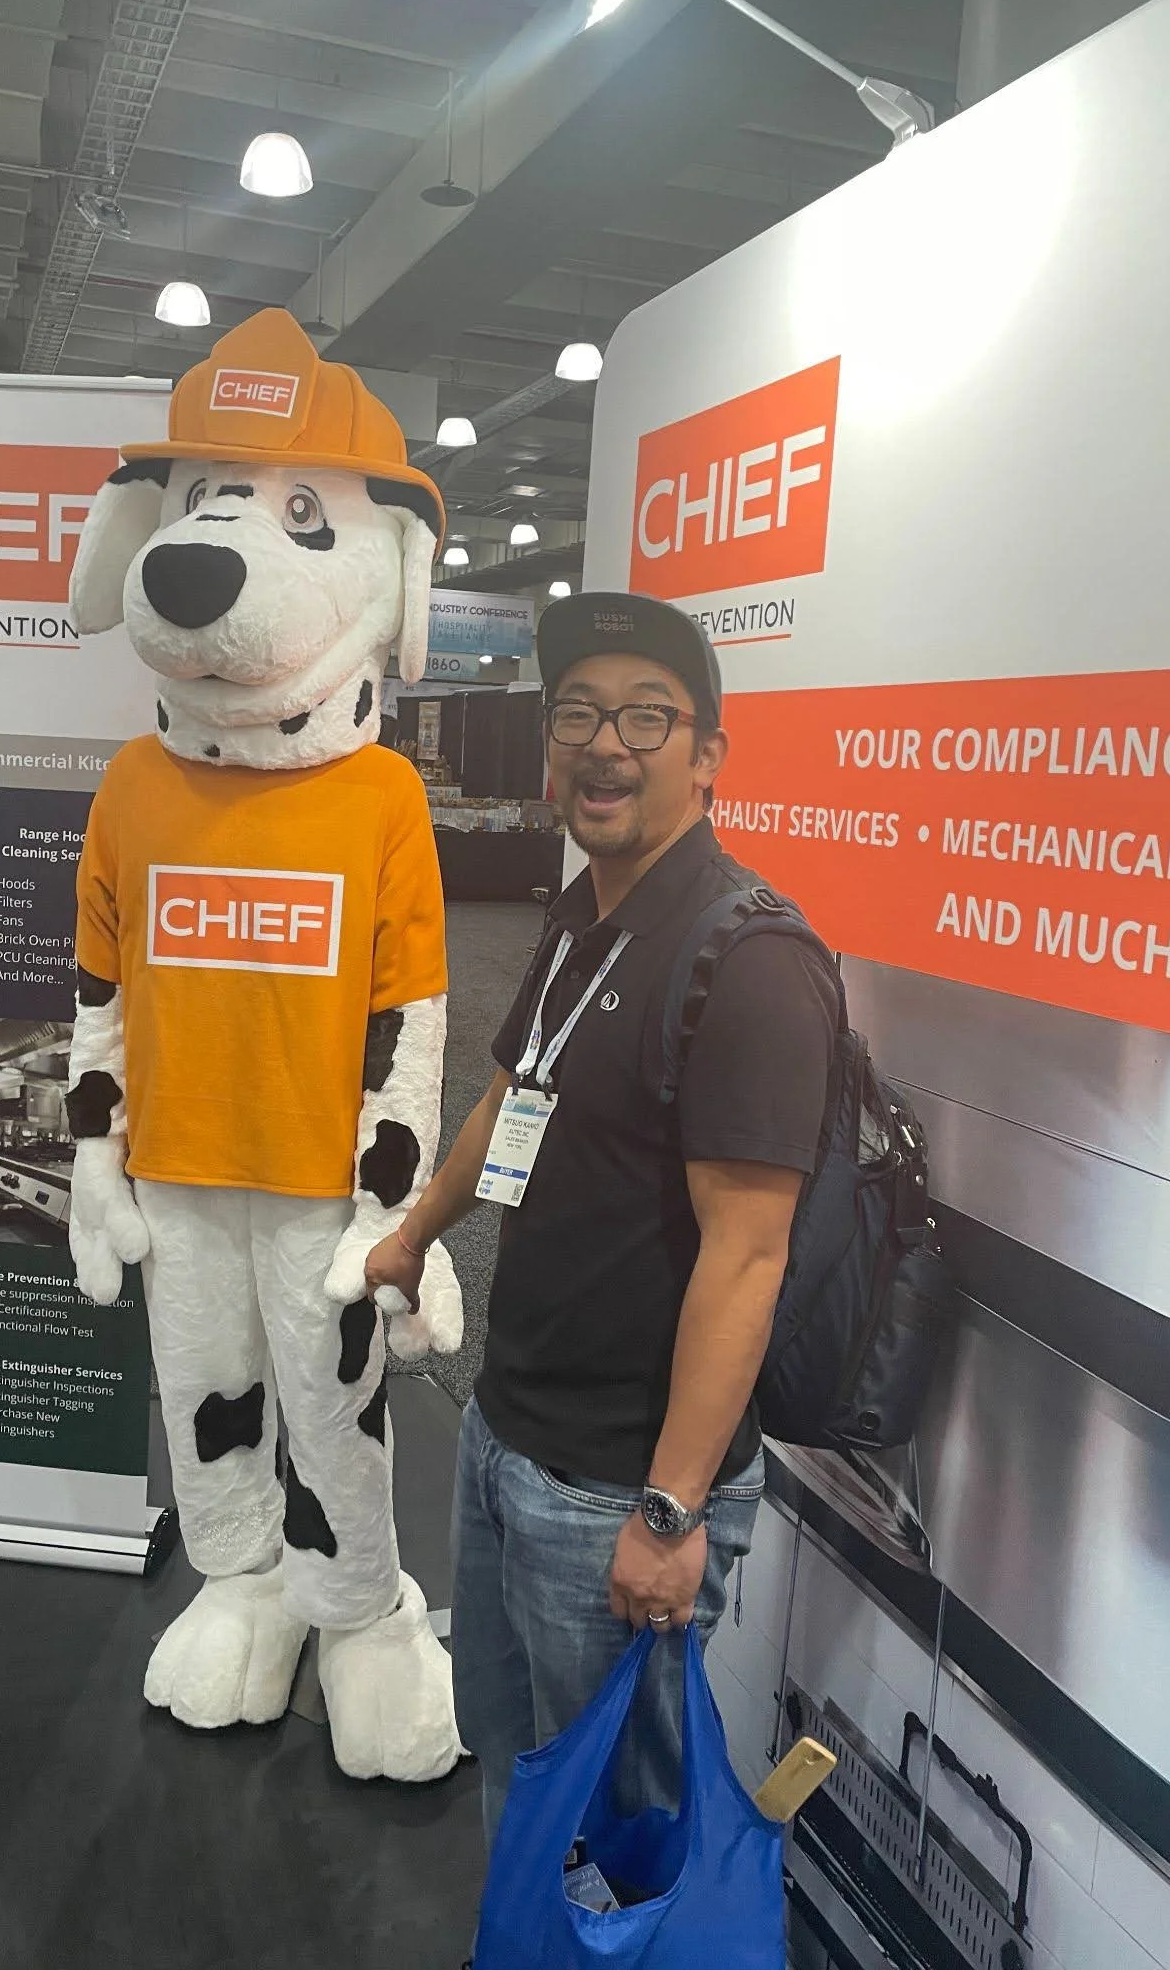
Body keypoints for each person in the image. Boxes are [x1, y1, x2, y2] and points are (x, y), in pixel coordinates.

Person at [363, 591, 838, 1845]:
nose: (602, 742)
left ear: (708, 753)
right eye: (576, 711)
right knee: (519, 1780)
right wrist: (417, 1230)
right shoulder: (585, 911)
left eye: (644, 714)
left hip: (621, 1486)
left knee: (616, 1823)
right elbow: (514, 1090)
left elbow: (748, 1255)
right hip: (508, 1427)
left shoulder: (752, 959)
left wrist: (672, 1513)